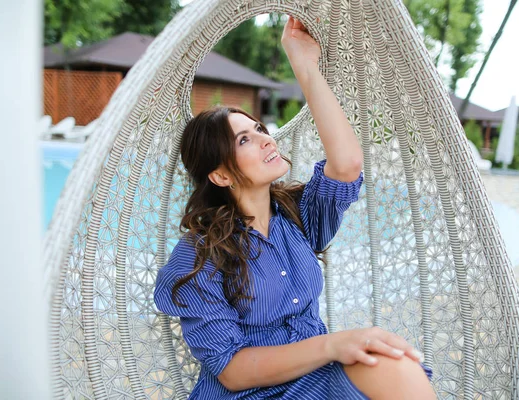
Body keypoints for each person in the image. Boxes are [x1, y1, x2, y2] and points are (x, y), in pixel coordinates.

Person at [154, 16, 435, 399]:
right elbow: (233, 372)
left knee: (394, 365)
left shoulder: (298, 216)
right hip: (249, 392)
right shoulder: (198, 256)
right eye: (244, 141)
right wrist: (333, 345)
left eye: (260, 130)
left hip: (315, 376)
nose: (265, 140)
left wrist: (304, 64)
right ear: (220, 176)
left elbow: (348, 165)